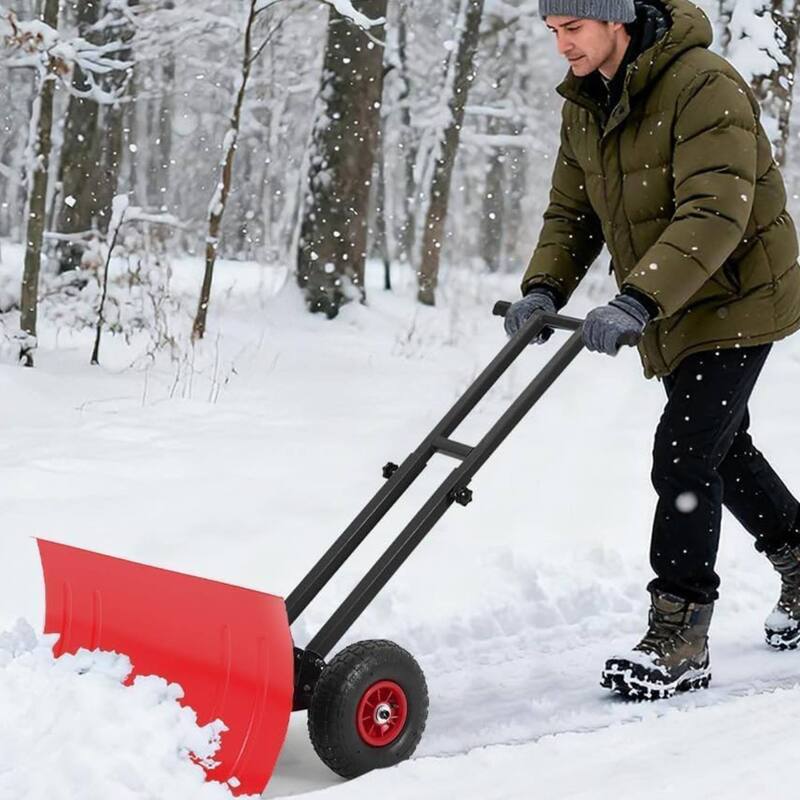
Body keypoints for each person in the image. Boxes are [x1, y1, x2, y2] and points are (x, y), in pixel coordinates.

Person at [504, 0, 800, 699]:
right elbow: (571, 212)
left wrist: (638, 298)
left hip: (737, 291)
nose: (562, 47)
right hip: (672, 295)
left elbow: (715, 211)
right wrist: (543, 287)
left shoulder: (704, 83)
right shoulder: (586, 102)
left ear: (617, 21)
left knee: (686, 450)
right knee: (722, 444)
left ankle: (680, 632)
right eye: (552, 32)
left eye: (572, 29)